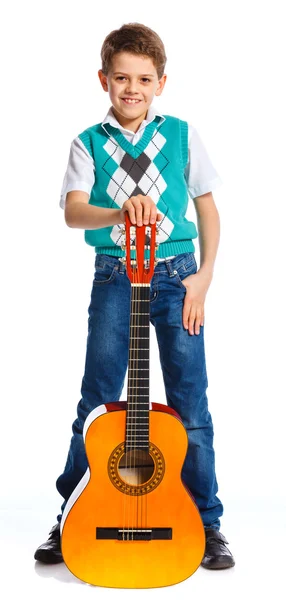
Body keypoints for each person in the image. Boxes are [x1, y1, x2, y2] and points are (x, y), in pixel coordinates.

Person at [34, 22, 235, 571]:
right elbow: (74, 211)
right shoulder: (88, 142)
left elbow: (207, 208)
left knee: (190, 403)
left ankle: (207, 522)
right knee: (98, 401)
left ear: (161, 83)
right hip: (117, 274)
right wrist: (119, 212)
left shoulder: (183, 136)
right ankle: (72, 513)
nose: (132, 88)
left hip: (177, 276)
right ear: (103, 79)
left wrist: (205, 276)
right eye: (121, 77)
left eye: (144, 79)